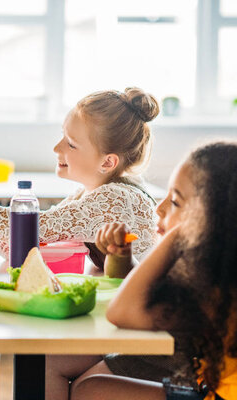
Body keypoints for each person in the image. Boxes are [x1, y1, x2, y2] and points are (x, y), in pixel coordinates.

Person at [56, 141, 237, 400]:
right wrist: (120, 258)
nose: (159, 209)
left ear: (211, 222)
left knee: (91, 391)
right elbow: (142, 296)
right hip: (206, 385)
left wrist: (180, 233)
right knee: (65, 368)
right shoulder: (204, 270)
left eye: (175, 201)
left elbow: (123, 312)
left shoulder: (214, 293)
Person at [0, 87, 159, 265]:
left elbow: (31, 231)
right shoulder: (87, 194)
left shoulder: (114, 200)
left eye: (71, 144)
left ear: (108, 162)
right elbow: (23, 246)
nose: (57, 148)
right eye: (62, 135)